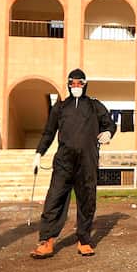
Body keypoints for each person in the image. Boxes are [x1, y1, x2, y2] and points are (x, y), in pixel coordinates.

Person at [30, 69, 117, 258]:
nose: (76, 86)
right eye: (73, 83)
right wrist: (39, 153)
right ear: (68, 84)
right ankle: (46, 240)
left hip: (87, 161)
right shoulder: (60, 107)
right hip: (64, 161)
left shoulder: (94, 106)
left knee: (87, 200)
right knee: (54, 199)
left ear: (85, 84)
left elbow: (110, 123)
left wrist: (108, 132)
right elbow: (49, 132)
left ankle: (84, 240)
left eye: (80, 83)